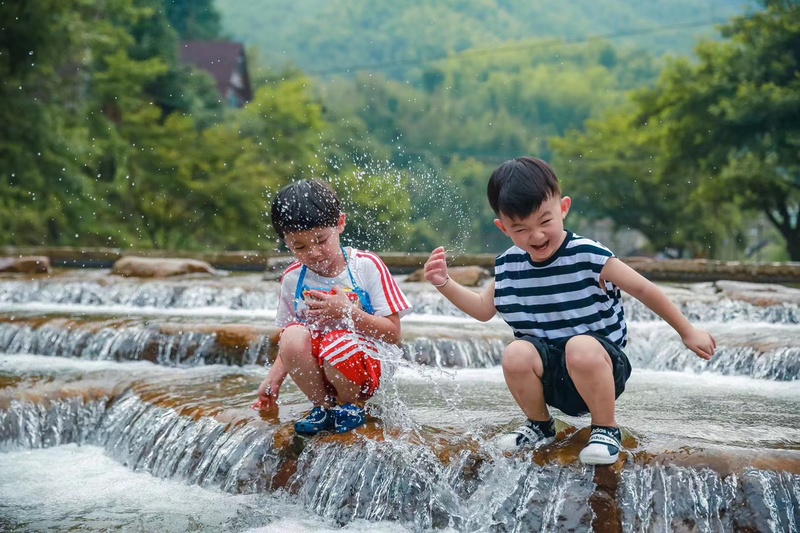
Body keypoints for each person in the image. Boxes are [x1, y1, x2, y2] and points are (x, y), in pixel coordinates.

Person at [423, 157, 716, 465]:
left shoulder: (589, 255)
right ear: (503, 227)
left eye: (545, 222)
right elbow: (484, 310)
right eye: (521, 229)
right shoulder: (509, 265)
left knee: (580, 346)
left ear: (563, 208)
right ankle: (540, 425)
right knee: (516, 353)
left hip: (599, 366)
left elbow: (644, 289)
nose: (536, 237)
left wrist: (688, 331)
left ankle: (605, 429)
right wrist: (445, 284)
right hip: (551, 377)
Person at [255, 179, 411, 435]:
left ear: (340, 224)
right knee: (292, 335)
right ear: (286, 242)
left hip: (367, 365)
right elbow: (288, 345)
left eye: (321, 240)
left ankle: (350, 406)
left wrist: (349, 312)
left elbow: (393, 334)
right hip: (324, 369)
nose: (314, 253)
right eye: (300, 247)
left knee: (337, 343)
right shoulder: (293, 279)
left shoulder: (366, 266)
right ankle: (324, 407)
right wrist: (273, 380)